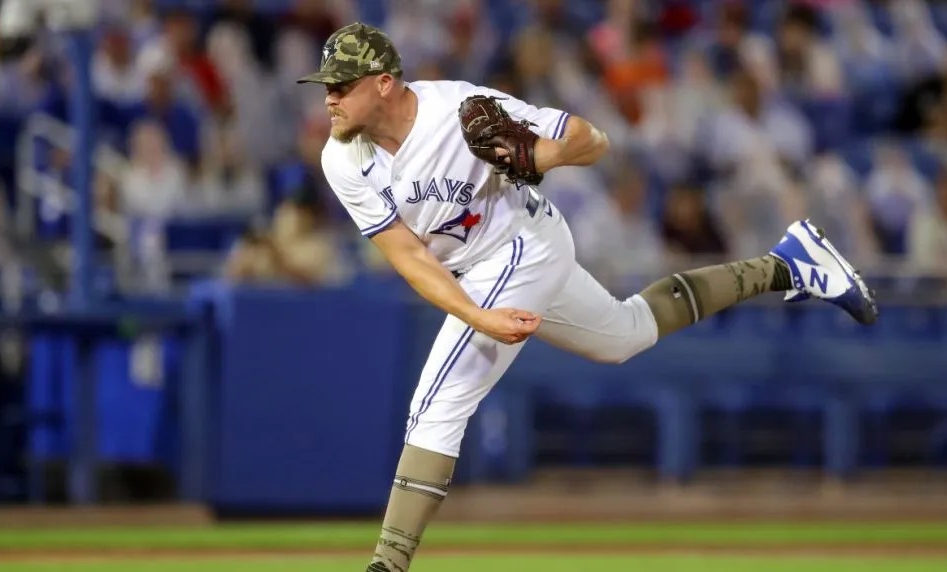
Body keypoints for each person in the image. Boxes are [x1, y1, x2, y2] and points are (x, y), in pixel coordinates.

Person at [297, 23, 878, 572]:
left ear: (384, 83)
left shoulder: (459, 108)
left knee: (438, 403)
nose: (330, 98)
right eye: (326, 86)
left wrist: (537, 155)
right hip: (473, 272)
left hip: (522, 245)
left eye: (341, 85)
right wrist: (477, 315)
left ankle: (388, 563)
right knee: (625, 335)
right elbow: (409, 256)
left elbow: (592, 140)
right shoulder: (342, 157)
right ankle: (787, 264)